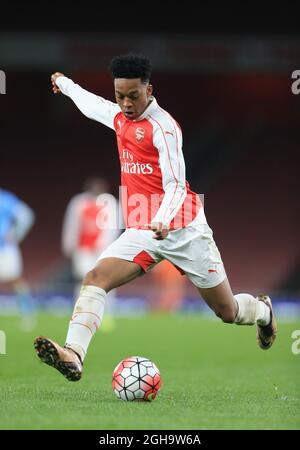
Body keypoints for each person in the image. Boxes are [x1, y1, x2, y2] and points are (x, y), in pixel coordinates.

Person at [34, 53, 277, 381]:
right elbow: (94, 106)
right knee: (94, 279)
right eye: (120, 96)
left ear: (149, 89)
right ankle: (74, 354)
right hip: (143, 229)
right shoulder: (120, 117)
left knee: (227, 311)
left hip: (184, 229)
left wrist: (162, 218)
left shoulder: (164, 128)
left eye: (133, 96)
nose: (125, 104)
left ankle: (263, 312)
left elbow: (176, 184)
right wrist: (65, 85)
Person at [61, 176, 120, 330]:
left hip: (103, 250)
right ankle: (79, 314)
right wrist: (69, 243)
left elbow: (113, 227)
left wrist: (108, 247)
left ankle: (106, 315)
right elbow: (72, 224)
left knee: (108, 282)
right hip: (83, 249)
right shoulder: (79, 202)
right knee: (83, 281)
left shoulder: (110, 203)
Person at [0, 188, 35, 329]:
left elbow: (27, 216)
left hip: (5, 248)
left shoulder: (5, 199)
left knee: (15, 280)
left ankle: (27, 314)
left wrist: (15, 234)